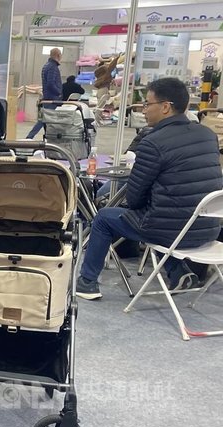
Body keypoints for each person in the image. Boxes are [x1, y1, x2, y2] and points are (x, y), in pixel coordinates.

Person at [76, 78, 222, 300]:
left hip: (170, 229)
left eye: (147, 104)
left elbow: (134, 198)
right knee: (163, 215)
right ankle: (178, 271)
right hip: (207, 229)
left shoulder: (152, 142)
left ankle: (87, 283)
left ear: (165, 107)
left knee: (104, 218)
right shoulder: (208, 136)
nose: (143, 110)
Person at [26, 47, 62, 139]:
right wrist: (58, 93)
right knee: (44, 120)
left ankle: (47, 137)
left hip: (48, 97)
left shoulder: (47, 65)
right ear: (58, 55)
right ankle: (29, 138)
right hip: (52, 98)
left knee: (46, 120)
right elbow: (50, 83)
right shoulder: (53, 67)